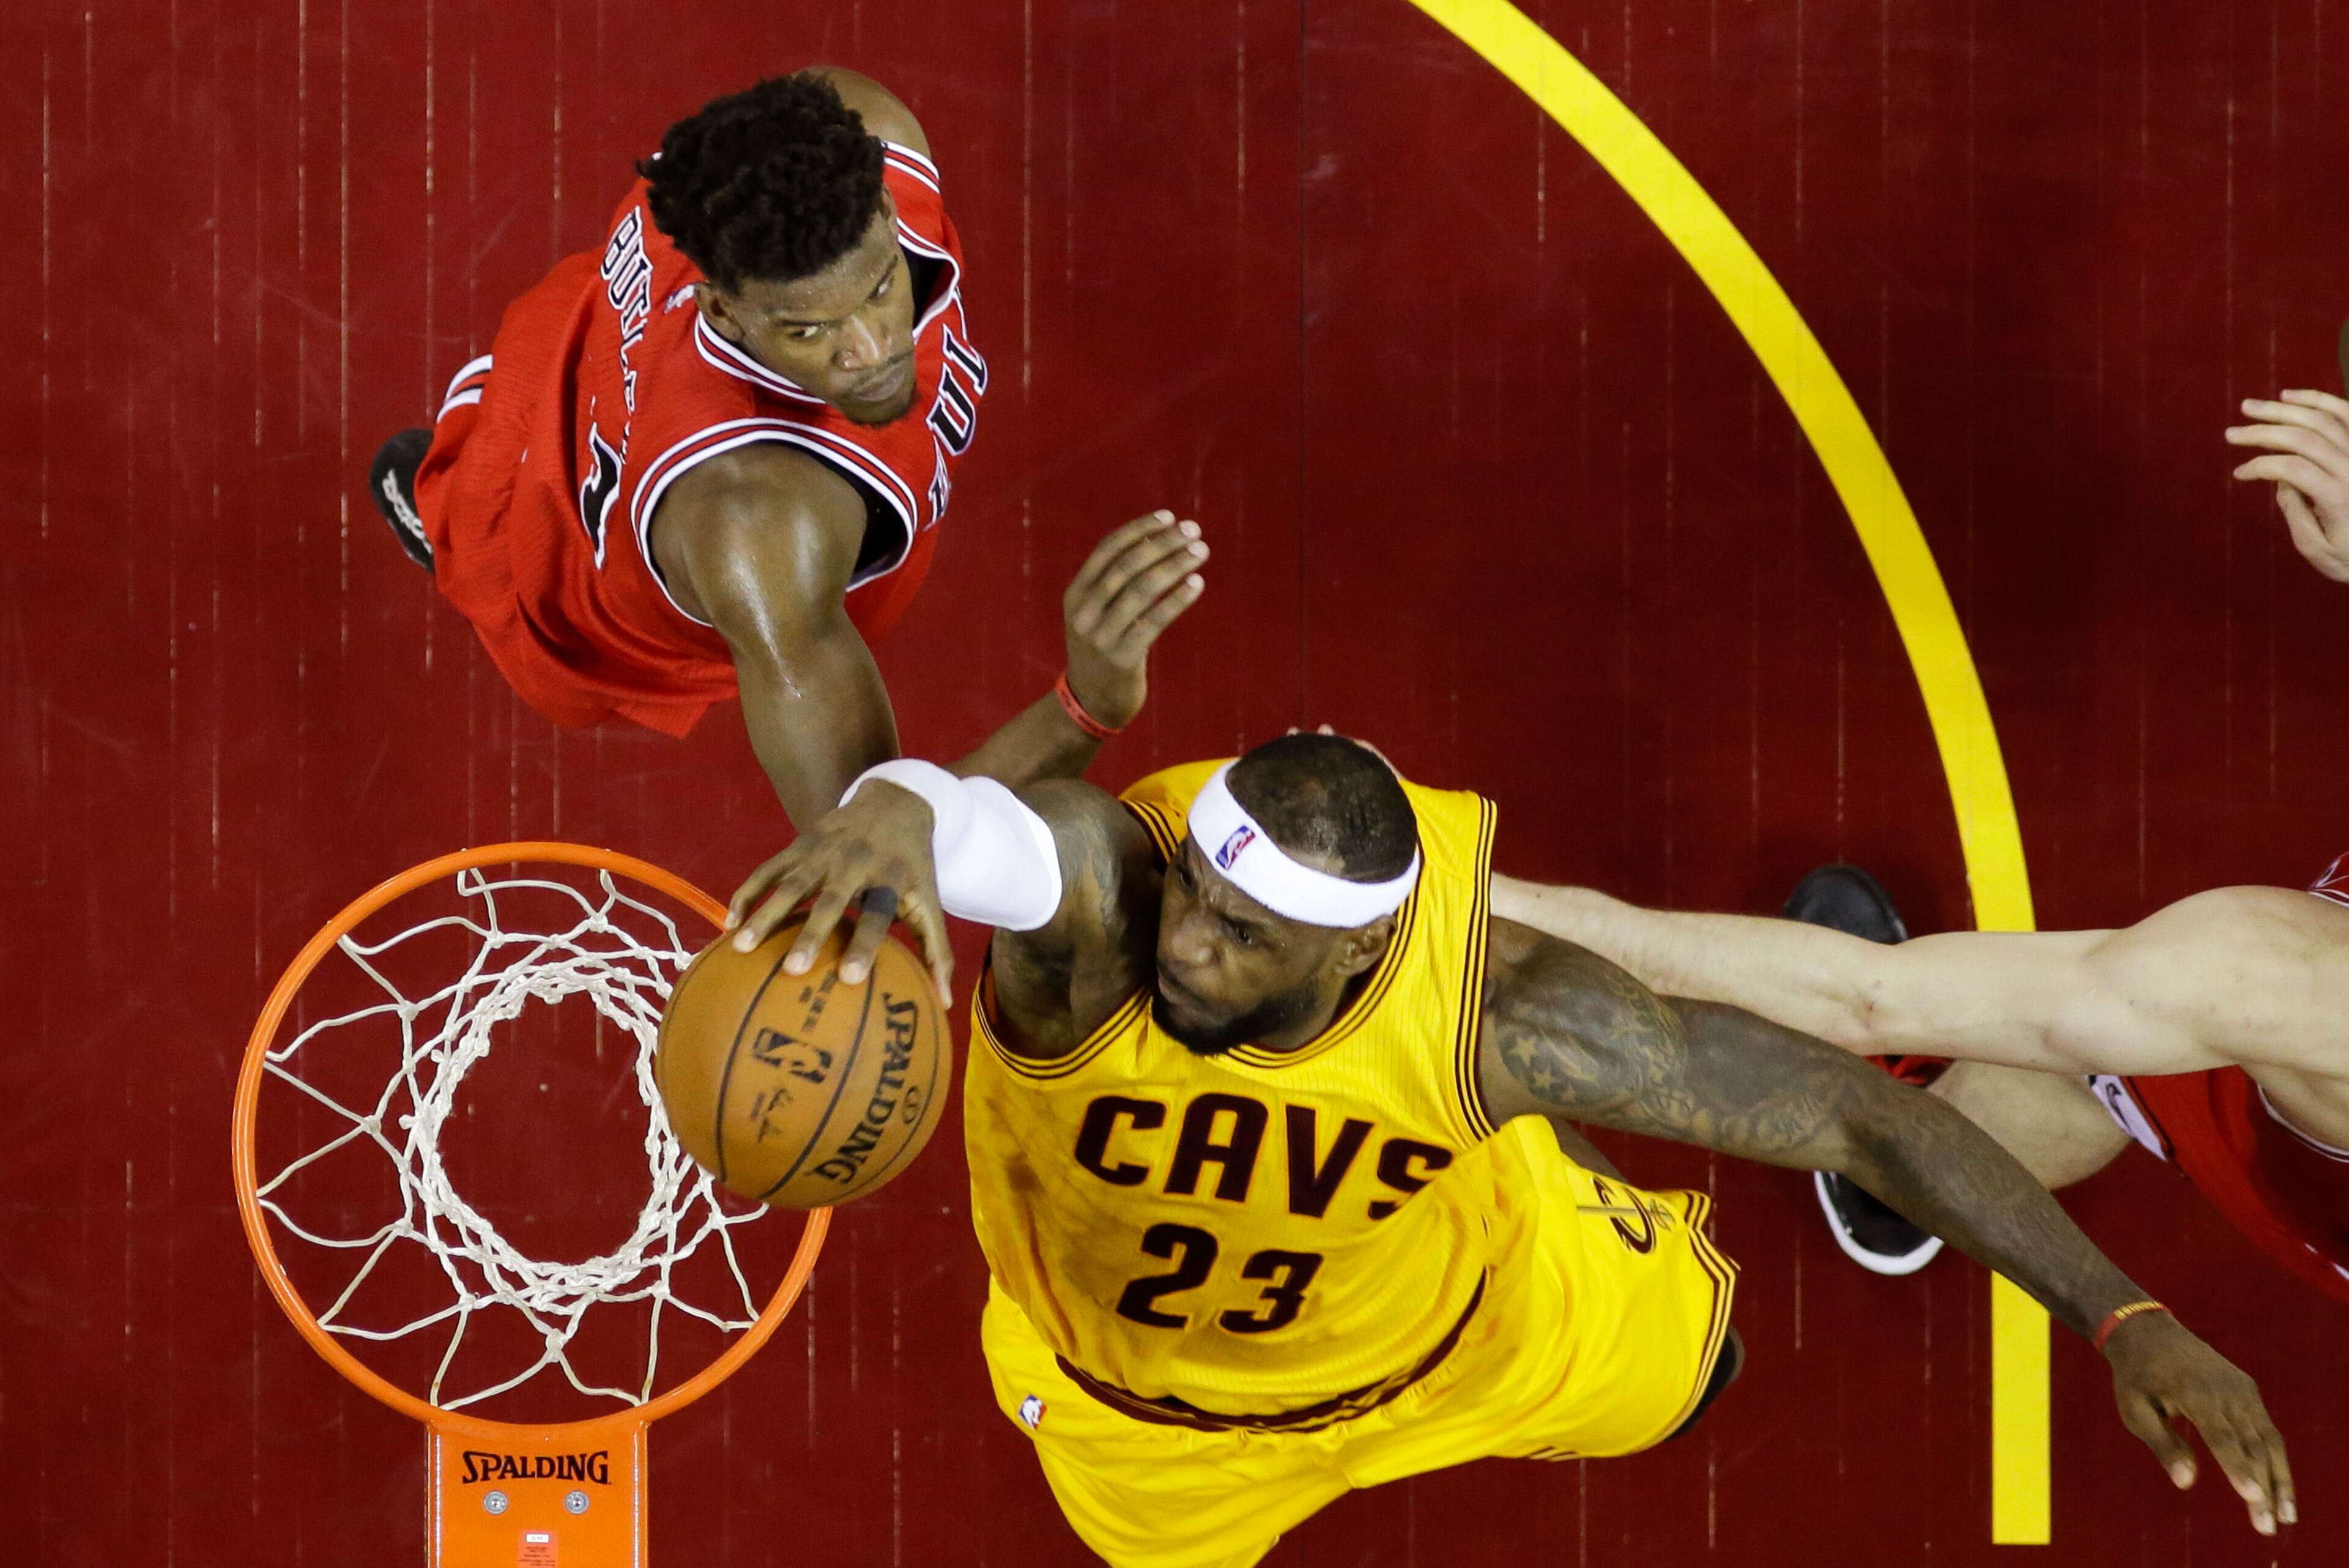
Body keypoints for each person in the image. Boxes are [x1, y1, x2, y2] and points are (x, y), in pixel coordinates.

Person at [730, 732, 2293, 1564]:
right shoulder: (1099, 935)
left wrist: (2124, 1312)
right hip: (1156, 1424)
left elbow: (1856, 1107)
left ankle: (1533, 1191)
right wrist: (902, 812)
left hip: (1476, 1330)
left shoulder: (1507, 1020)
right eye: (1195, 898)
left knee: (1712, 1372)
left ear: (1353, 963)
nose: (1190, 951)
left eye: (1242, 936)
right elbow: (1025, 837)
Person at [1490, 384, 2349, 1307]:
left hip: (2297, 1057)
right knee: (2119, 1050)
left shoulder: (2268, 974)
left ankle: (1894, 1163)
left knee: (2085, 1033)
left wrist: (1463, 888)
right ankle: (1927, 1178)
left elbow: (1867, 998)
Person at [366, 70, 1200, 827]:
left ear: (881, 209)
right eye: (810, 331)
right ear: (724, 313)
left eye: (879, 290)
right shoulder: (754, 524)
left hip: (612, 360)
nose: (871, 350)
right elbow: (863, 837)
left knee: (561, 375)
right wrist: (1086, 703)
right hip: (589, 580)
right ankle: (448, 517)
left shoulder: (862, 138)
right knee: (482, 521)